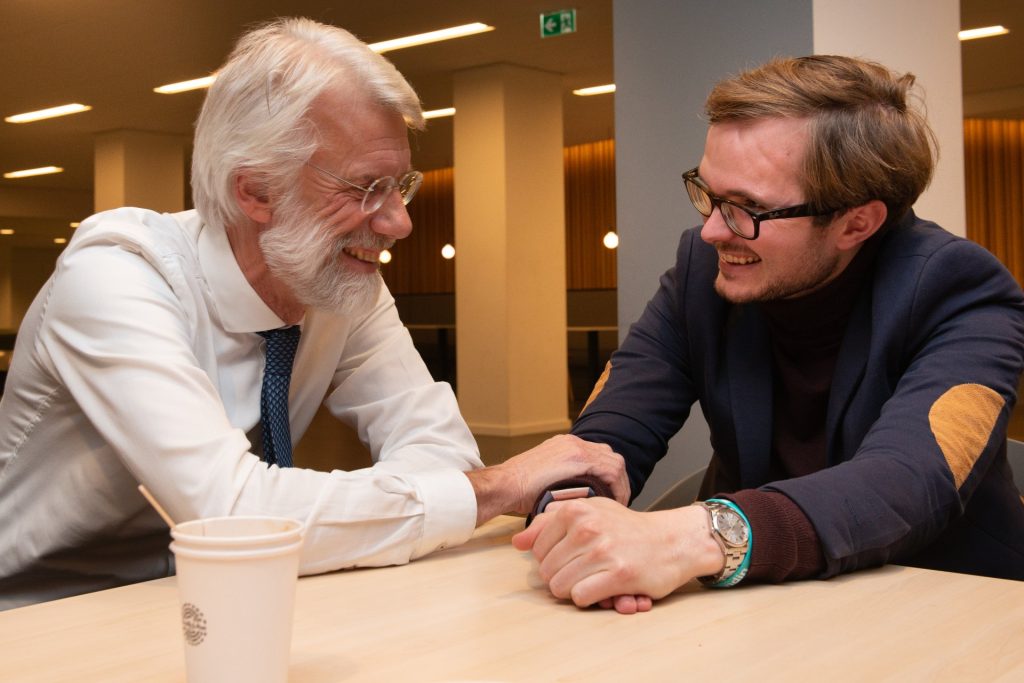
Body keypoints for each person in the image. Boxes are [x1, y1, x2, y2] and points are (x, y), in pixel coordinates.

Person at [0, 18, 627, 610]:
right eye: (364, 189)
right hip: (43, 611)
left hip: (216, 603)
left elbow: (438, 451)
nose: (400, 223)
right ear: (256, 191)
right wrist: (496, 487)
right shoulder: (117, 273)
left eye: (400, 186)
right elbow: (232, 514)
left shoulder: (337, 281)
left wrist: (354, 514)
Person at [513, 55, 1024, 614]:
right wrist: (578, 515)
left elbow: (904, 482)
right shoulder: (700, 275)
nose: (710, 230)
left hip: (942, 602)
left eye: (749, 207)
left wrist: (694, 539)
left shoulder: (962, 290)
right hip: (755, 605)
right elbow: (609, 434)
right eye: (707, 194)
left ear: (857, 223)